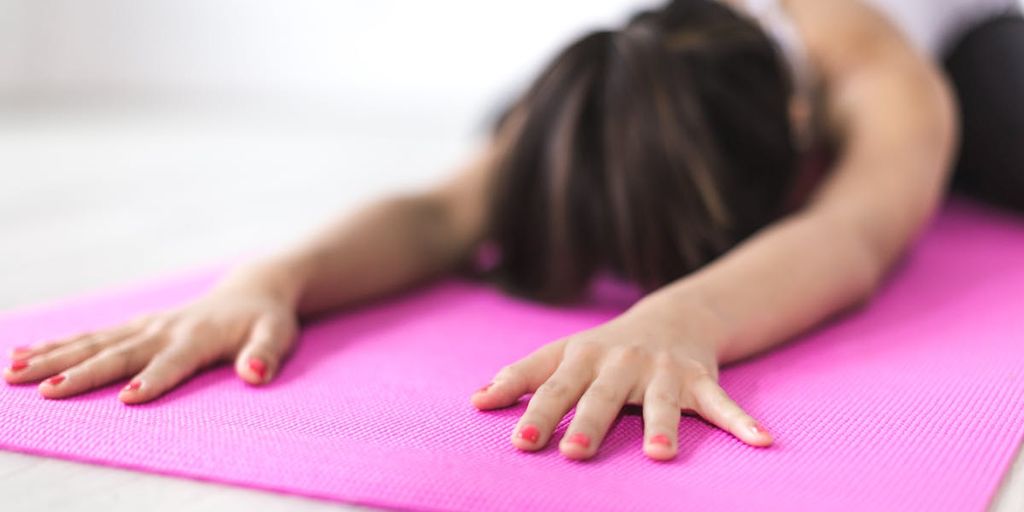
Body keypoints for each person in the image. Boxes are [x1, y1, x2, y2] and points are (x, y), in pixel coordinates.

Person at [5, 0, 1022, 462]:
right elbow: (444, 209)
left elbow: (853, 233)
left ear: (802, 144)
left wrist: (679, 318)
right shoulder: (638, 72)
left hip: (972, 41)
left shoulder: (881, 81)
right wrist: (267, 279)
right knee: (520, 130)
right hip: (678, 69)